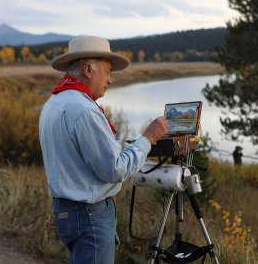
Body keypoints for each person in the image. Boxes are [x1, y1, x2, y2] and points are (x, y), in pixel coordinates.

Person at [39, 36, 168, 264]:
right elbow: (114, 169)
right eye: (107, 72)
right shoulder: (84, 110)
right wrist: (148, 138)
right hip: (89, 214)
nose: (110, 80)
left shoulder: (54, 102)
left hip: (66, 211)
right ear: (89, 69)